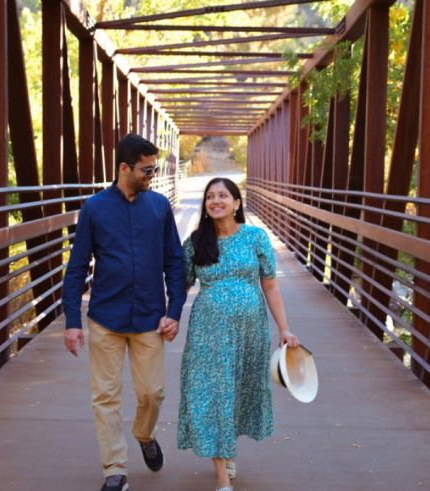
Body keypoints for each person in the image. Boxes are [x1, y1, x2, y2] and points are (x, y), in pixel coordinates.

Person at [62, 134, 186, 491]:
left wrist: (174, 310)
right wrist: (72, 321)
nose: (153, 174)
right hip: (105, 318)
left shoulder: (159, 207)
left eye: (155, 168)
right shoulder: (95, 208)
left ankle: (144, 434)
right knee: (106, 396)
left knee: (153, 393)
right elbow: (77, 266)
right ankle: (114, 469)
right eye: (147, 169)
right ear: (124, 168)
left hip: (150, 317)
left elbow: (174, 262)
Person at [177, 177, 299, 491]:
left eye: (222, 196)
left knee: (238, 392)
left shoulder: (256, 238)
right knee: (213, 394)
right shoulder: (195, 243)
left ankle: (226, 449)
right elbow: (180, 285)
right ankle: (221, 479)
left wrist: (284, 328)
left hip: (250, 332)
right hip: (208, 333)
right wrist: (168, 317)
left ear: (236, 203)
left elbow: (270, 285)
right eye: (210, 197)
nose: (215, 201)